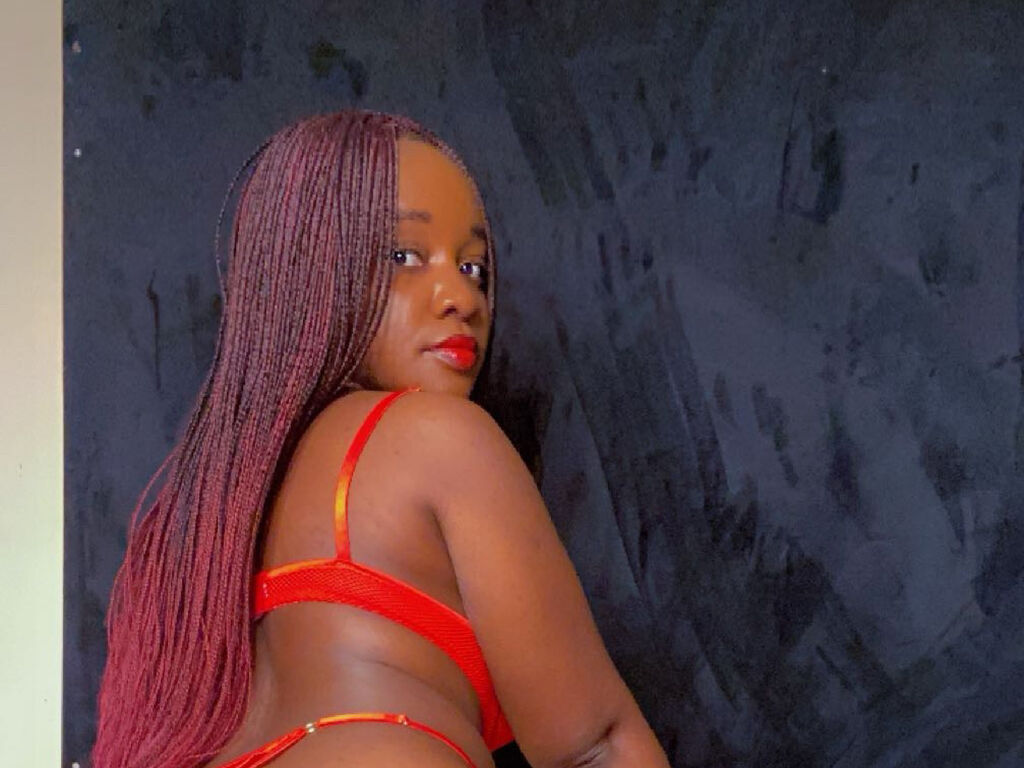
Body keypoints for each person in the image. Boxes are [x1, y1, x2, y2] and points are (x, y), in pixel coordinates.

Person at [91, 110, 669, 768]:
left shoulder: (200, 531)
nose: (462, 298)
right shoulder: (439, 438)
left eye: (474, 268)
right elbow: (597, 745)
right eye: (405, 257)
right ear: (309, 266)